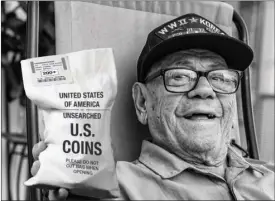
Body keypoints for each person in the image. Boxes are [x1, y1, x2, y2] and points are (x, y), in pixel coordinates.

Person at [31, 13, 274, 200]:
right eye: (180, 75)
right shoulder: (114, 188)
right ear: (142, 102)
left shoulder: (269, 175)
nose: (205, 90)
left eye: (220, 78)